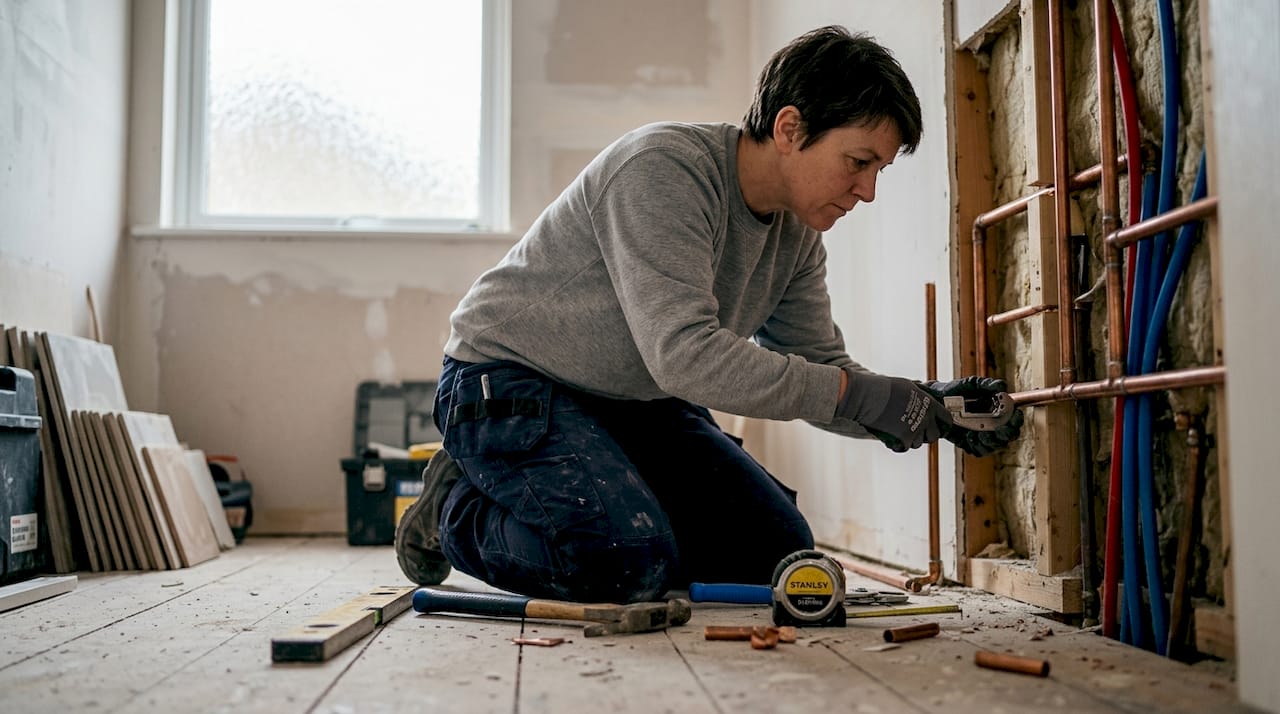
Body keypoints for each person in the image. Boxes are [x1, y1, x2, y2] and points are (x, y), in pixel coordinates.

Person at [395, 25, 1023, 604]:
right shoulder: (662, 171)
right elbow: (687, 356)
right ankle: (455, 506)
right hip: (509, 384)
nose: (868, 190)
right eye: (858, 162)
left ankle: (616, 506)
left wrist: (926, 407)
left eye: (878, 170)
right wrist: (865, 396)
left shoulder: (798, 237)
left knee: (773, 553)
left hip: (635, 399)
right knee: (622, 563)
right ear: (789, 128)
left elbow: (820, 369)